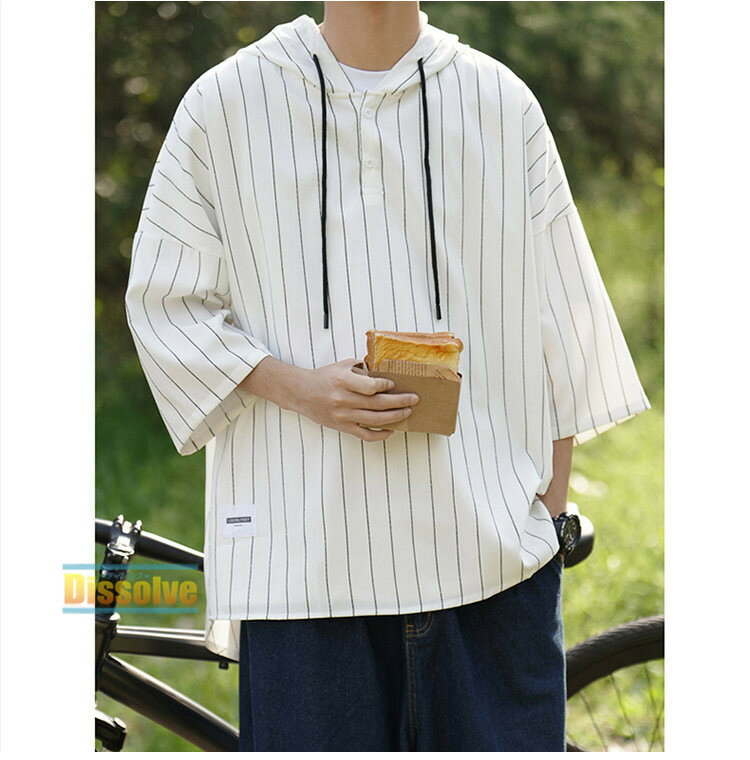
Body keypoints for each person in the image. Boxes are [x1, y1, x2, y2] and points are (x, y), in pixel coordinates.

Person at [124, 1, 650, 751]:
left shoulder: (501, 101)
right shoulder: (225, 103)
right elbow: (166, 304)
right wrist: (301, 387)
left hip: (490, 570)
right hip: (301, 572)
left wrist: (544, 517)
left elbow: (565, 325)